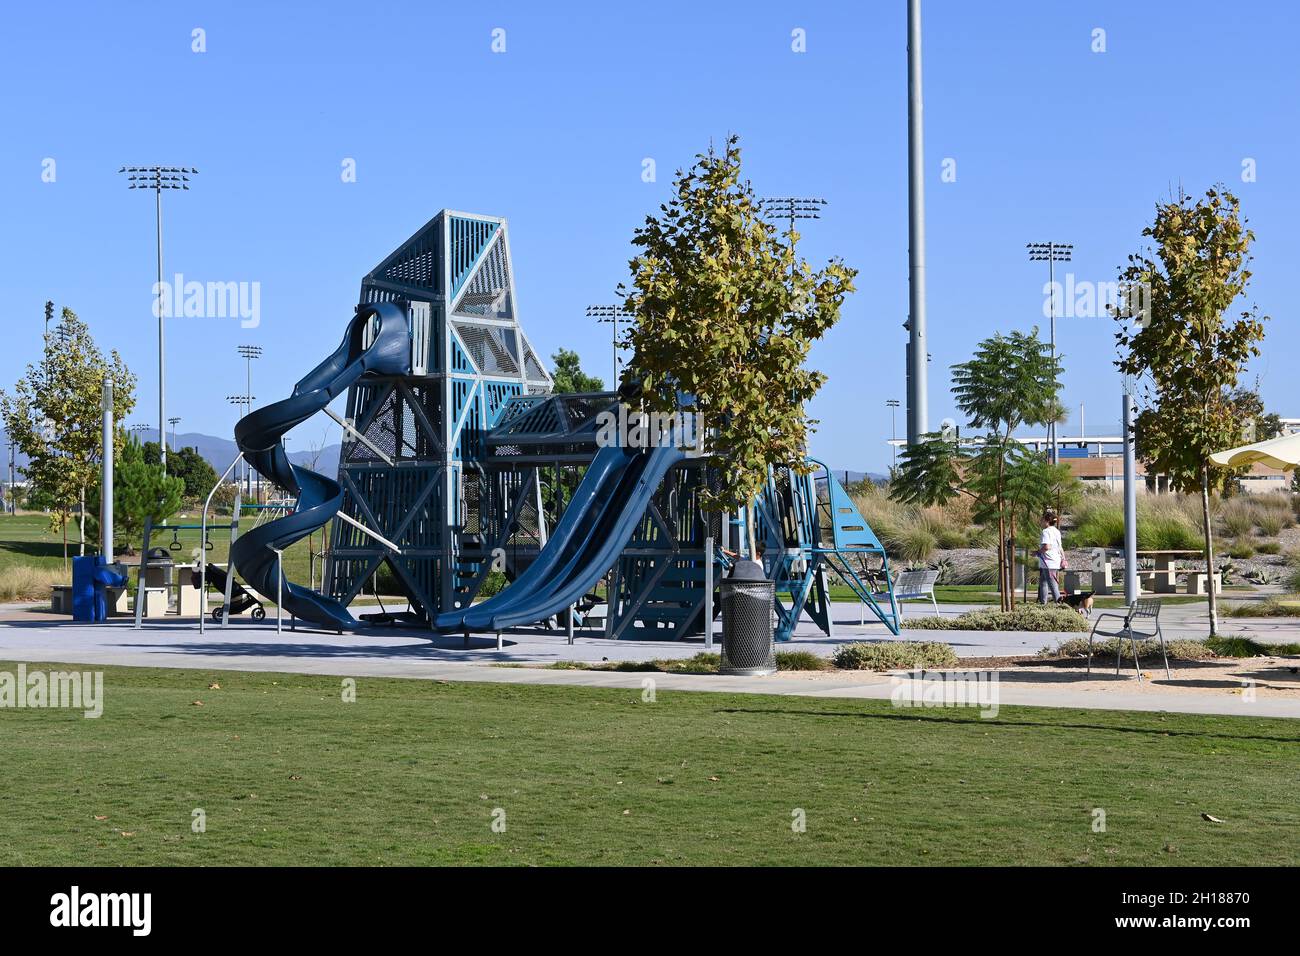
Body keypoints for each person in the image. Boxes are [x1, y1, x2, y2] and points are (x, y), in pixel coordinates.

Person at [1037, 509, 1064, 604]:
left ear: (1047, 521)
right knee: (1043, 583)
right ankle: (1043, 603)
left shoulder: (1046, 531)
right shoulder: (1056, 531)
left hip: (1048, 562)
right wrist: (1063, 559)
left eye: (1042, 520)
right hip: (1054, 561)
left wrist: (1037, 552)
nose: (1041, 522)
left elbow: (1046, 546)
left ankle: (1060, 604)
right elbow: (1060, 547)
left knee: (1052, 585)